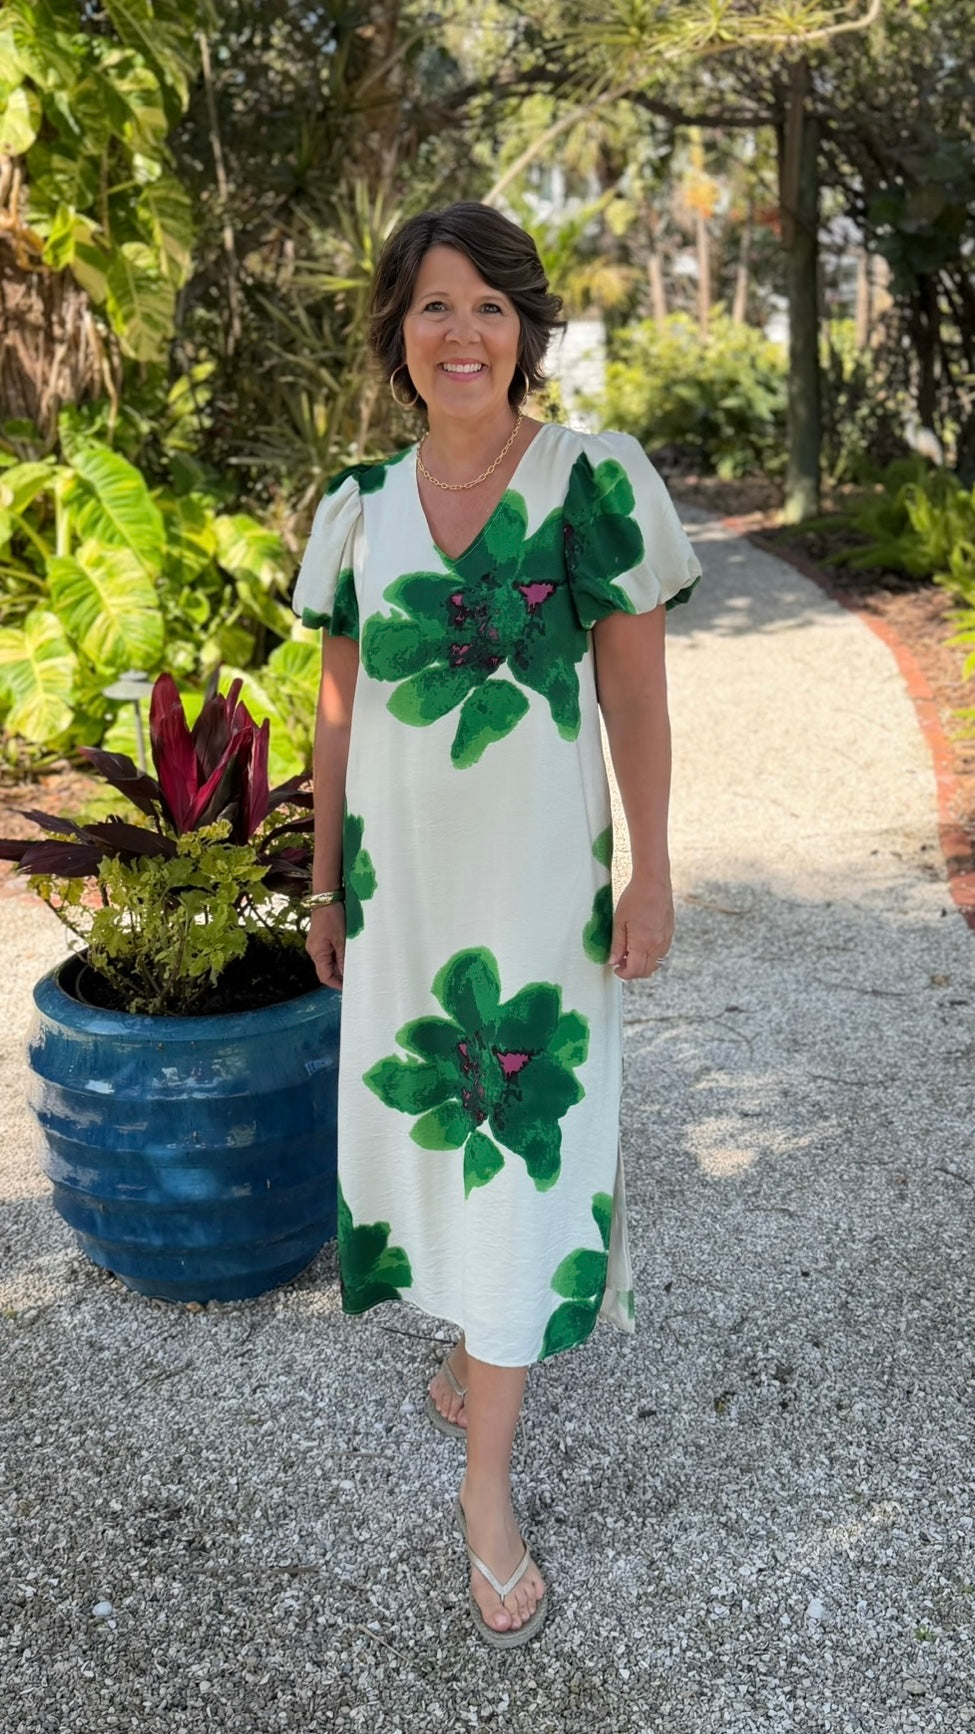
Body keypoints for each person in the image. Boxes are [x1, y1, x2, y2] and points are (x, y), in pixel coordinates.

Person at [291, 202, 701, 1648]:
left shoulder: (594, 481)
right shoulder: (356, 506)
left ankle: (486, 1486)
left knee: (524, 1149)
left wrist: (652, 870)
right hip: (404, 902)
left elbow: (635, 699)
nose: (460, 333)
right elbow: (337, 713)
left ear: (524, 329)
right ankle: (472, 1348)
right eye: (431, 306)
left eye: (487, 306)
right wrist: (325, 883)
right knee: (428, 1136)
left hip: (539, 904)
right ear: (396, 332)